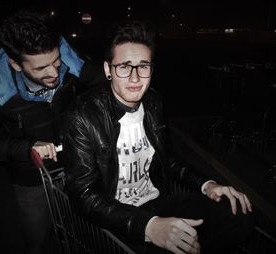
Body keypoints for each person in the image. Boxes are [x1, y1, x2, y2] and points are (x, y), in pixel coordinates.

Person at [63, 19, 255, 254]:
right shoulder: (82, 115)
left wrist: (207, 185)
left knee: (240, 215)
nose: (135, 78)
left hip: (158, 202)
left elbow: (167, 158)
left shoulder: (153, 102)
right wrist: (148, 226)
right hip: (116, 217)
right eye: (124, 66)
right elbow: (82, 194)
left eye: (143, 66)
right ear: (107, 70)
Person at [0, 9, 101, 254]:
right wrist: (27, 147)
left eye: (56, 60)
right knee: (37, 236)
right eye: (41, 68)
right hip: (31, 177)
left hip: (76, 162)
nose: (54, 73)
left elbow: (104, 82)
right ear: (15, 64)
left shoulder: (71, 65)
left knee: (81, 226)